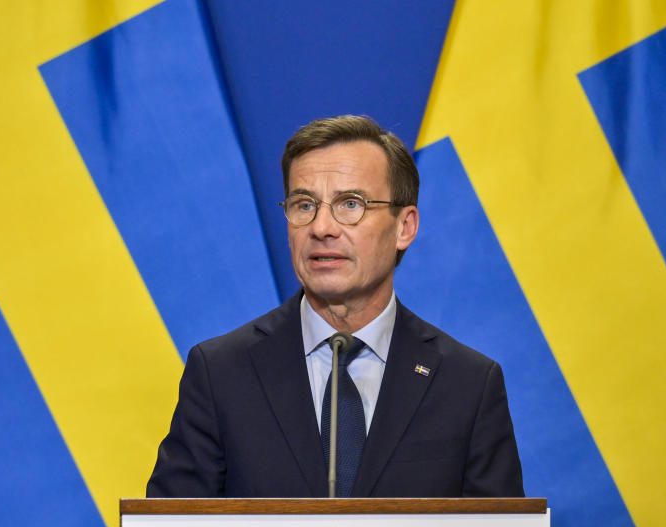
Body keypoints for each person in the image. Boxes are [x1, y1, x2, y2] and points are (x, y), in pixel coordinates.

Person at [147, 115, 523, 498]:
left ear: (404, 227)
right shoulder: (221, 374)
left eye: (350, 204)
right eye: (304, 204)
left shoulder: (468, 385)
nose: (321, 226)